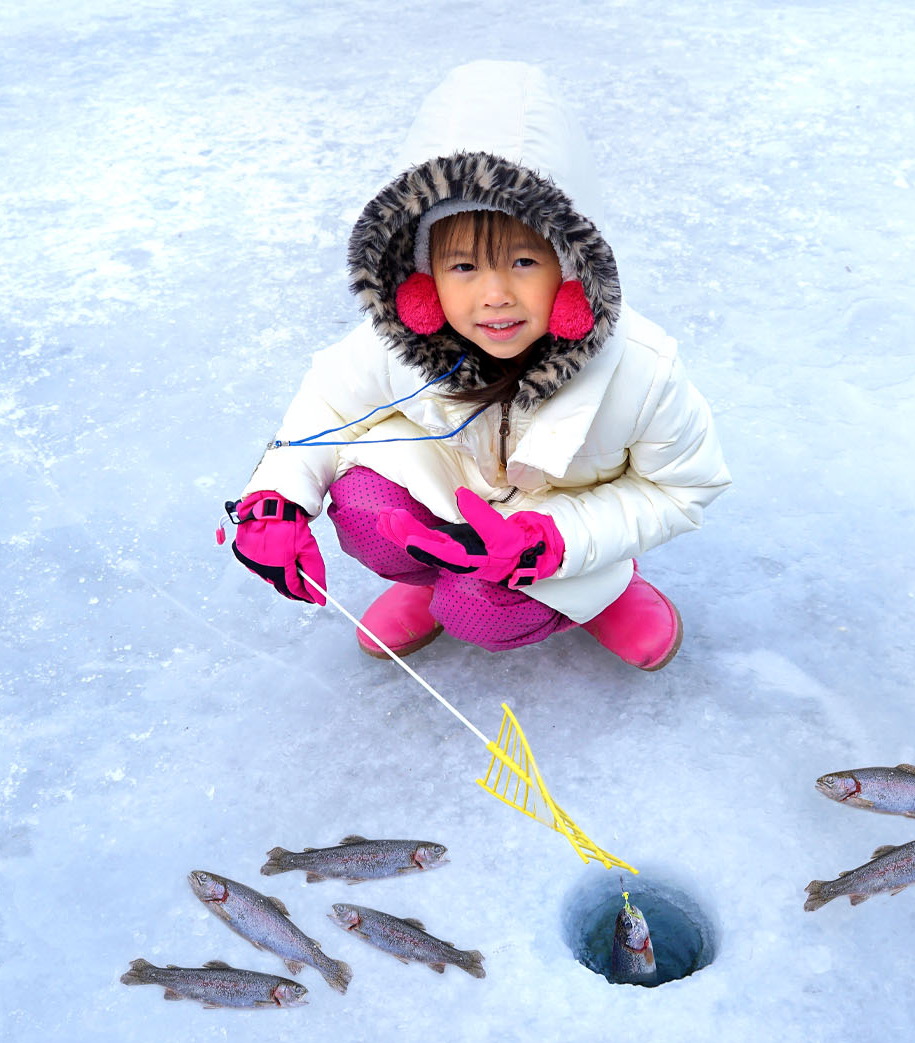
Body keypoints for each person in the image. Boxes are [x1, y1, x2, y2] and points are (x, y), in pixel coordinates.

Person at [228, 60, 730, 671]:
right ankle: (429, 580)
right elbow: (325, 413)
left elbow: (680, 488)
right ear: (422, 284)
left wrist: (553, 543)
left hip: (561, 536)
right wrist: (276, 499)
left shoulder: (642, 370)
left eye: (523, 261)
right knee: (364, 509)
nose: (494, 295)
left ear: (572, 269)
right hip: (454, 504)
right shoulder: (395, 342)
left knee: (483, 608)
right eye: (464, 267)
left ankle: (607, 593)